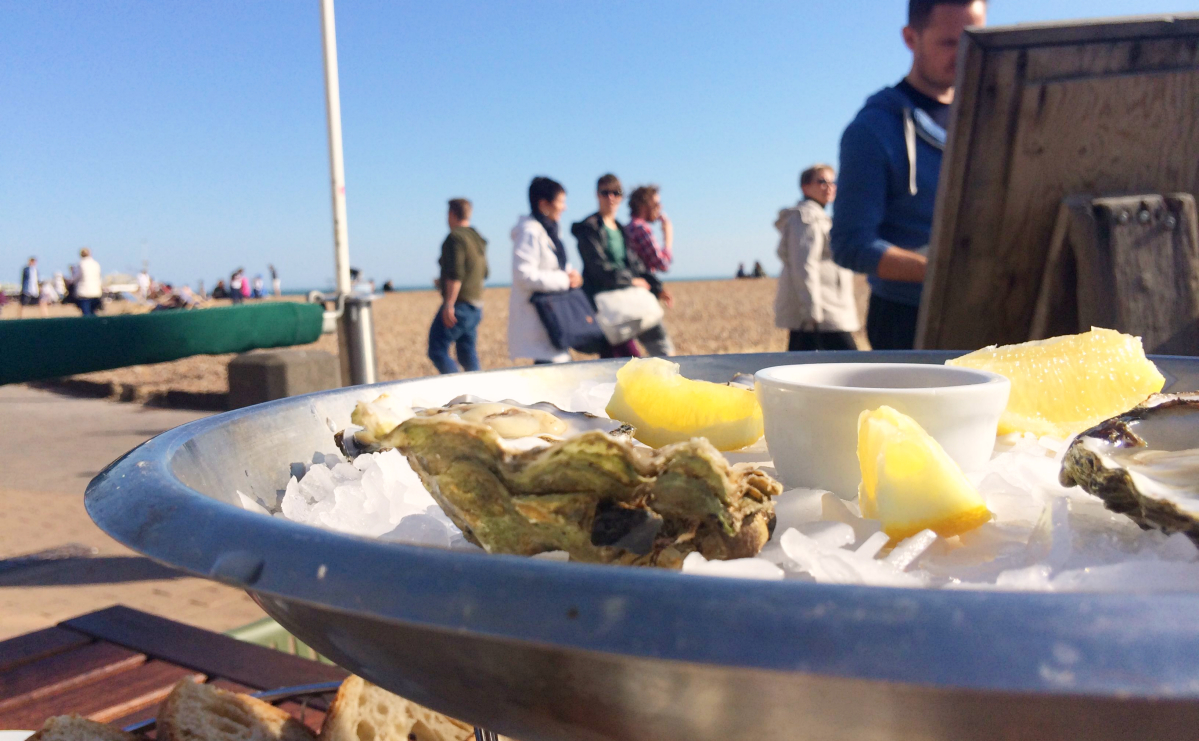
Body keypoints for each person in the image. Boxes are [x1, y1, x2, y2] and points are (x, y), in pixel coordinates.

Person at [831, 0, 986, 350]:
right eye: (949, 42)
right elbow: (850, 244)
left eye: (975, 39)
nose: (964, 53)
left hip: (998, 307)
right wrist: (945, 272)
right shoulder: (873, 129)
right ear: (911, 38)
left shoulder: (995, 114)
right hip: (908, 319)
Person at [572, 174, 673, 357]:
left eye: (616, 192)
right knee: (623, 359)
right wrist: (632, 281)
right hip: (608, 305)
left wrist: (657, 287)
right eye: (605, 192)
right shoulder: (588, 228)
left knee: (663, 349)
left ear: (621, 196)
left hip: (632, 299)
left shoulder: (621, 229)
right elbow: (597, 268)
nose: (611, 197)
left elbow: (636, 264)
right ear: (597, 195)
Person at [775, 164, 860, 351]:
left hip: (827, 309)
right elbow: (804, 265)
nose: (829, 187)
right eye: (822, 181)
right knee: (849, 360)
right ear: (805, 187)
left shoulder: (820, 216)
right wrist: (811, 311)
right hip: (821, 313)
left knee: (803, 362)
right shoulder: (806, 217)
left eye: (833, 182)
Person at [508, 176, 583, 364]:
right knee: (550, 370)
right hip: (540, 319)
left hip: (555, 316)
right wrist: (565, 280)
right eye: (561, 202)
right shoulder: (529, 232)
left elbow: (557, 264)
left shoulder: (551, 230)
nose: (565, 207)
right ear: (543, 204)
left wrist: (574, 276)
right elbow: (523, 275)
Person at [427, 198, 489, 374]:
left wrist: (449, 304)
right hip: (476, 305)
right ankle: (478, 388)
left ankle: (457, 386)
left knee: (437, 350)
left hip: (460, 305)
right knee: (466, 352)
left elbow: (456, 274)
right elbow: (484, 272)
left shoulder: (455, 237)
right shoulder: (477, 239)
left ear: (451, 214)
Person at [75, 248, 103, 316]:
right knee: (94, 313)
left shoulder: (81, 264)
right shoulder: (96, 264)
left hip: (84, 293)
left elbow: (75, 277)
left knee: (86, 313)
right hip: (96, 292)